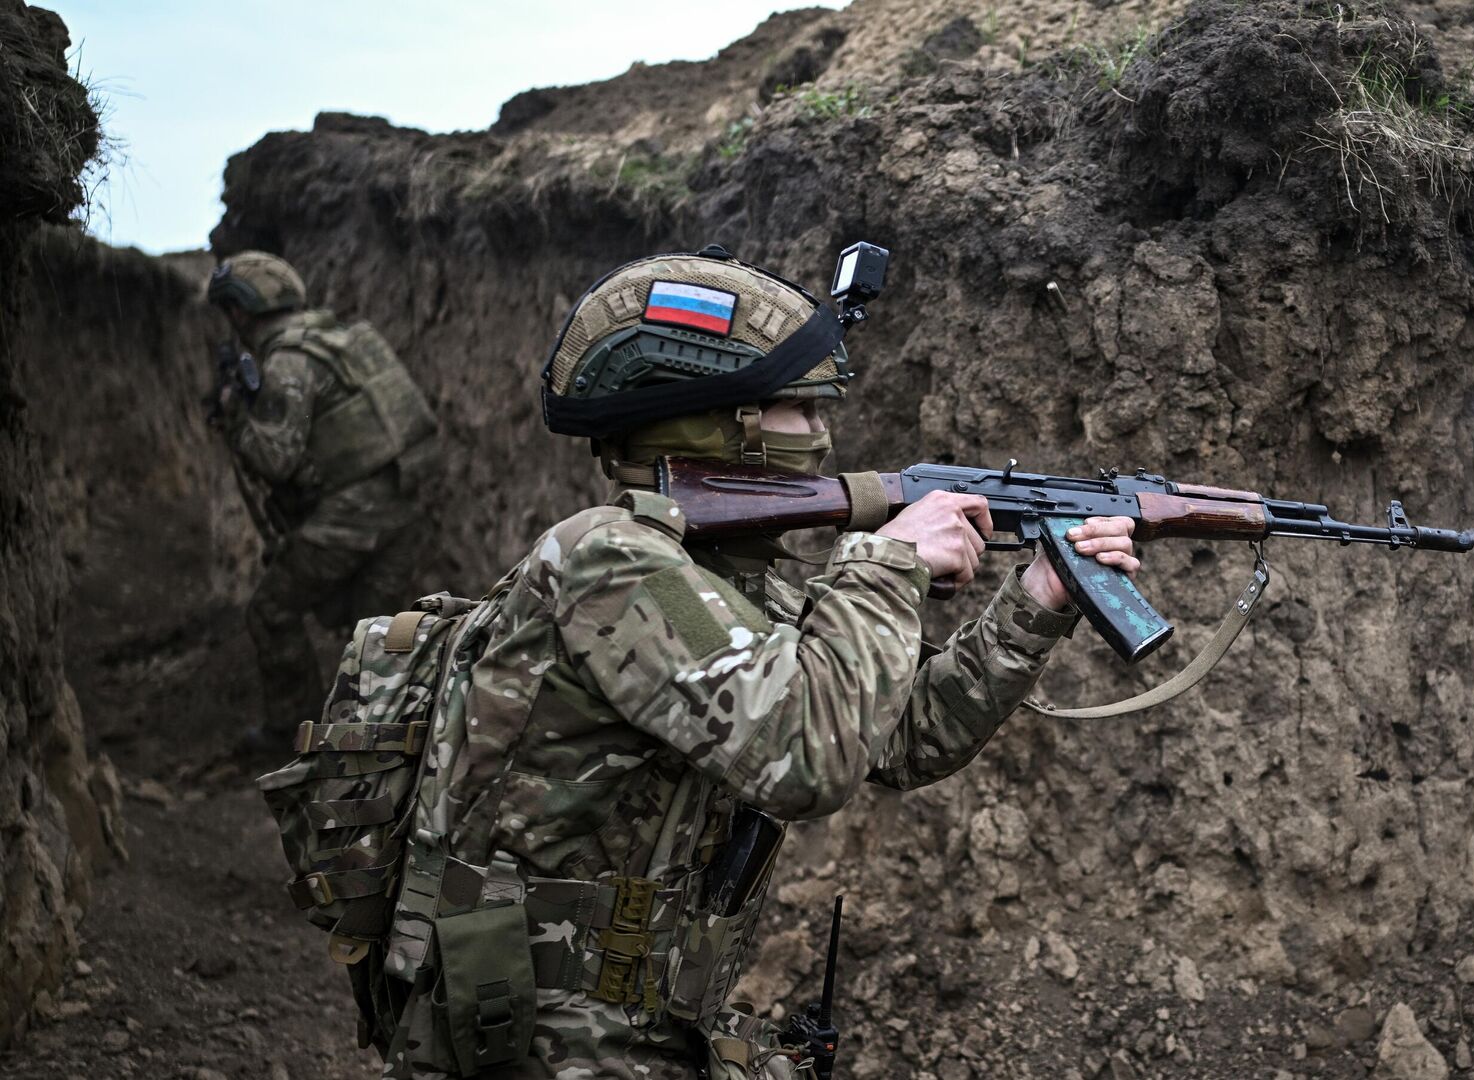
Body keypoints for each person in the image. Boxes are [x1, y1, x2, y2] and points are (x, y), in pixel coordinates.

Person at [377, 247, 1139, 1078]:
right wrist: (887, 565)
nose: (823, 435)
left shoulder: (724, 574)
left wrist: (1037, 599)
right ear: (713, 423)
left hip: (640, 1026)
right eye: (798, 411)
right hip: (538, 1036)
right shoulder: (607, 562)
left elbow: (900, 737)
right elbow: (804, 759)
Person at [205, 251, 441, 750]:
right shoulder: (340, 337)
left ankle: (289, 733)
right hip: (405, 500)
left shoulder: (287, 361)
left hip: (353, 517)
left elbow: (276, 459)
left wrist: (235, 418)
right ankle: (398, 744)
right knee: (378, 635)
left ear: (241, 310)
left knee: (271, 612)